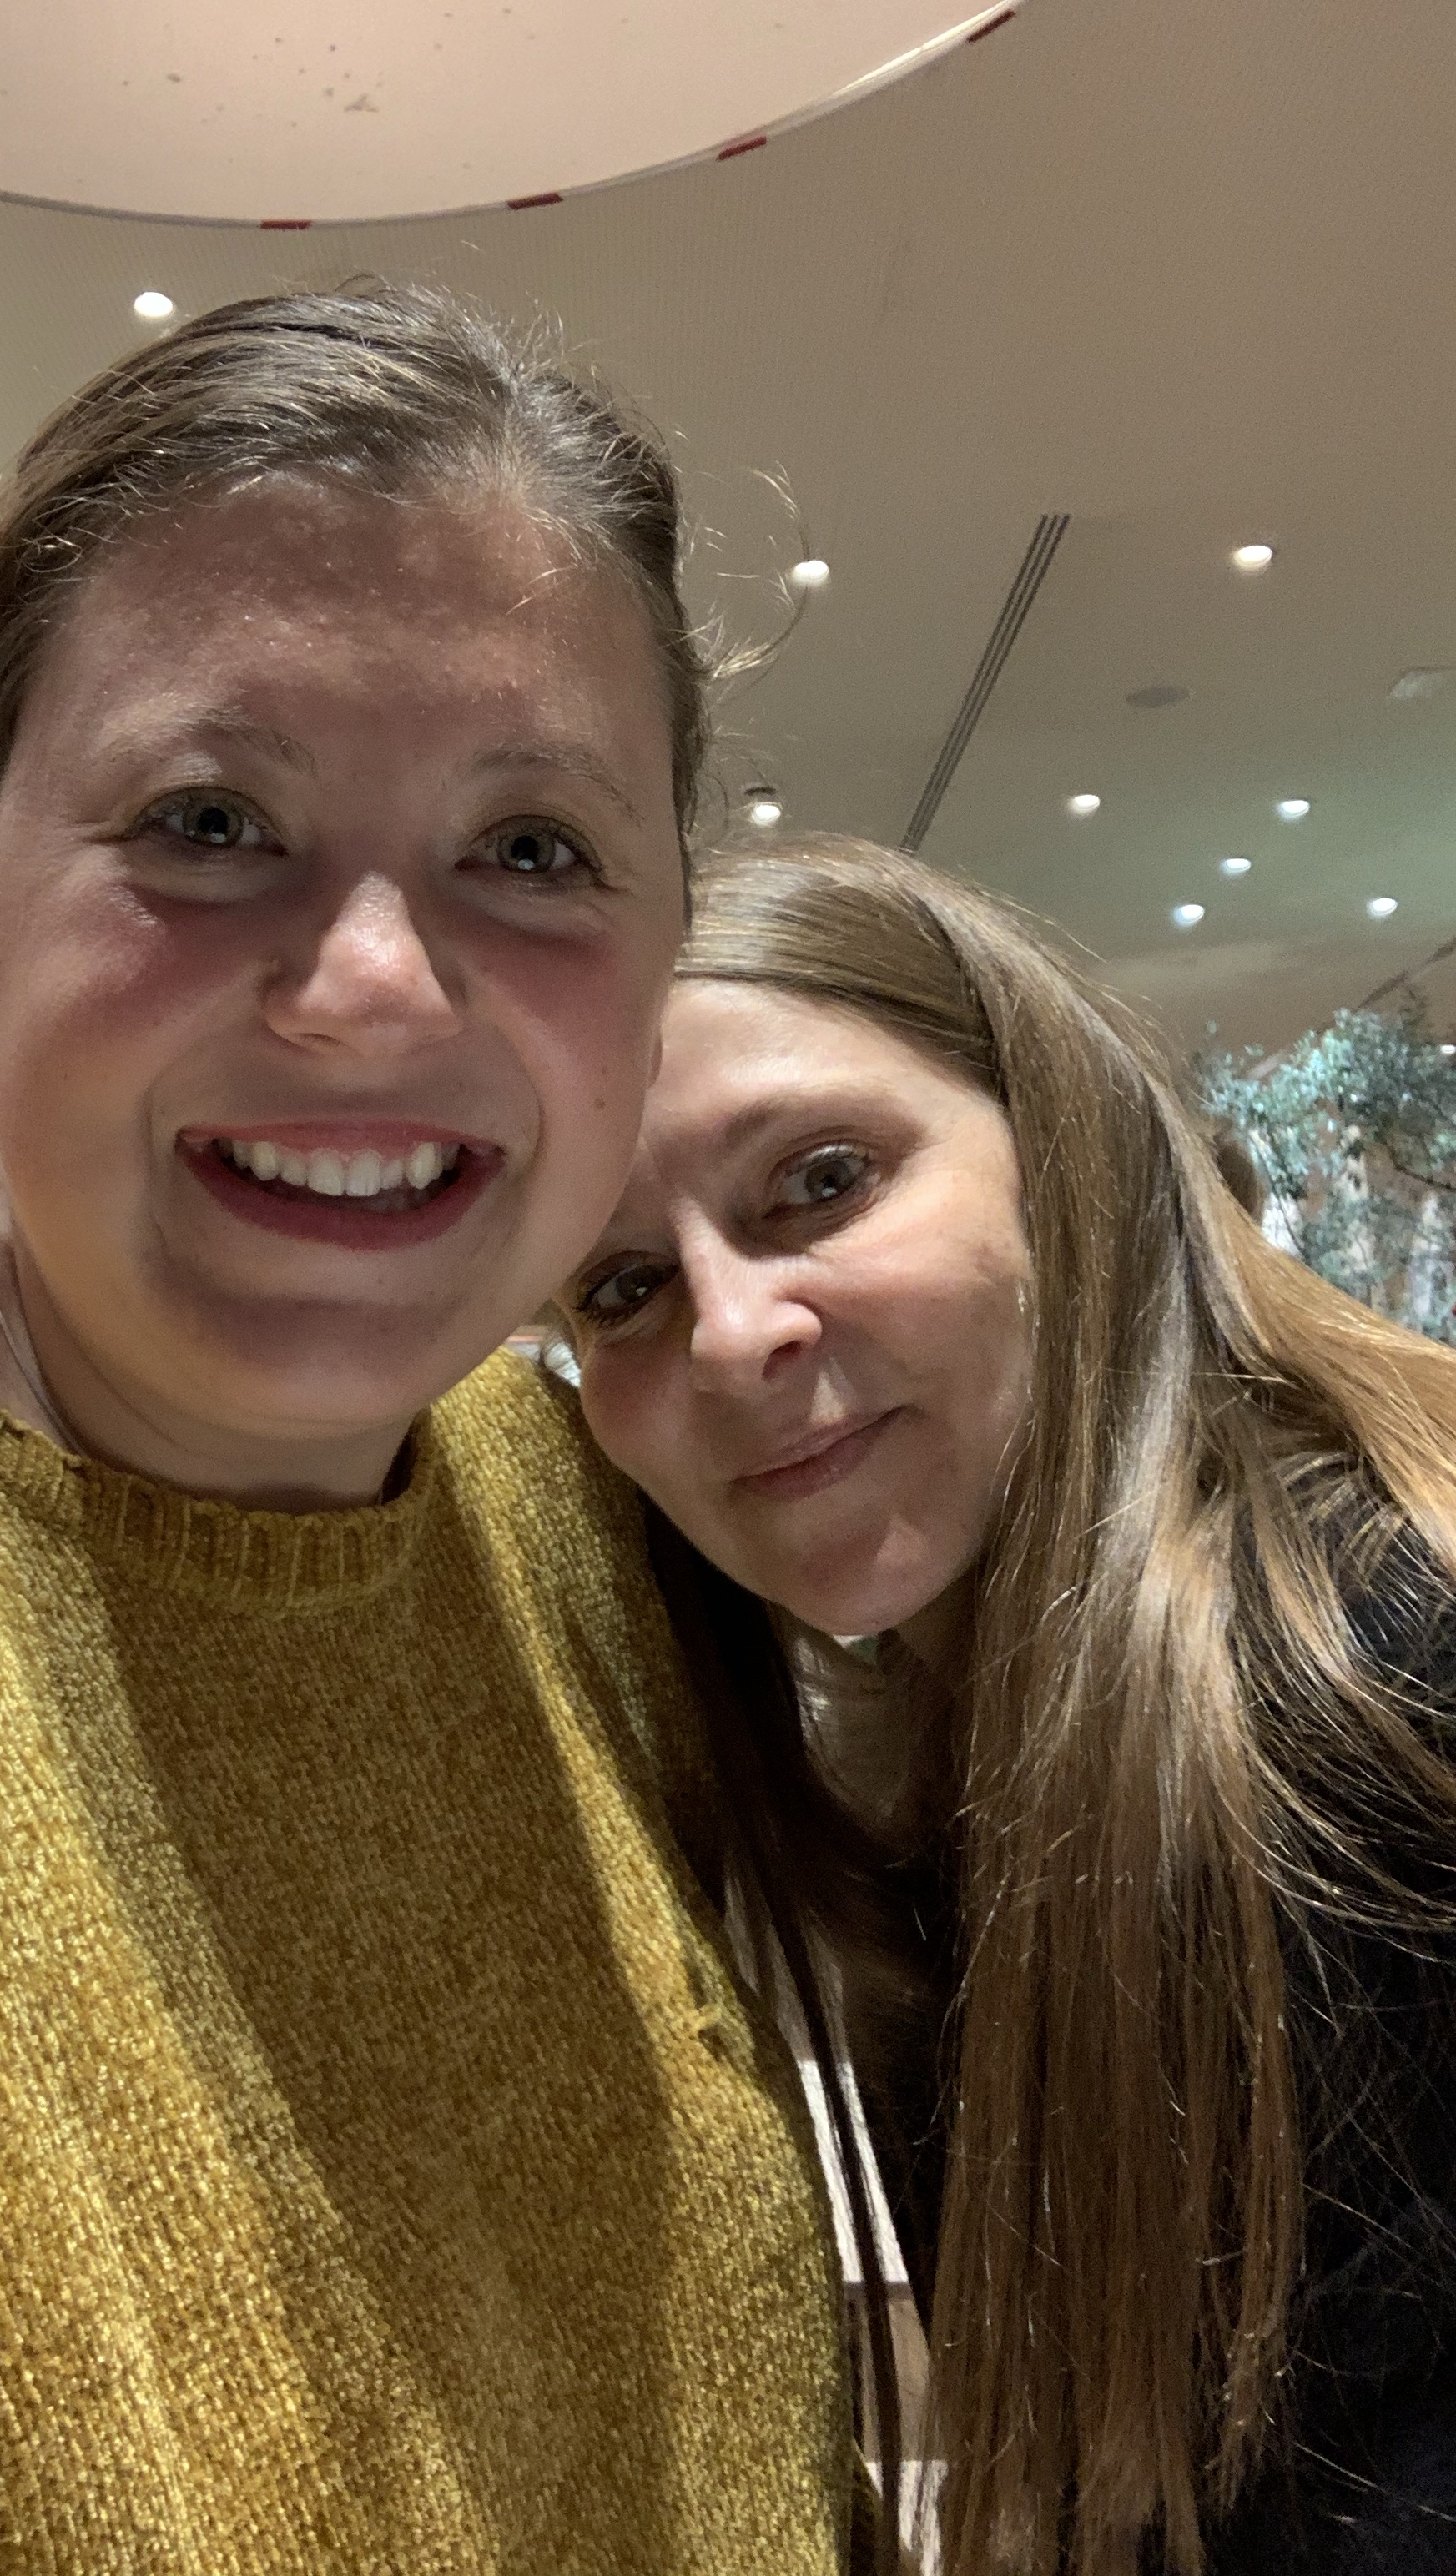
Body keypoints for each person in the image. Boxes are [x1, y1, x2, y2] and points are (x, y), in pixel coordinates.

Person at [0, 293, 860, 2573]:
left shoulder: (555, 1488)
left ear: (662, 946)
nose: (372, 987)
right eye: (211, 821)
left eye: (534, 848)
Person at [562, 832, 1456, 2576]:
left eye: (821, 1181)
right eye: (622, 1285)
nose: (730, 1333)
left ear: (1060, 1143)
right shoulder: (933, 1752)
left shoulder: (1384, 1665)